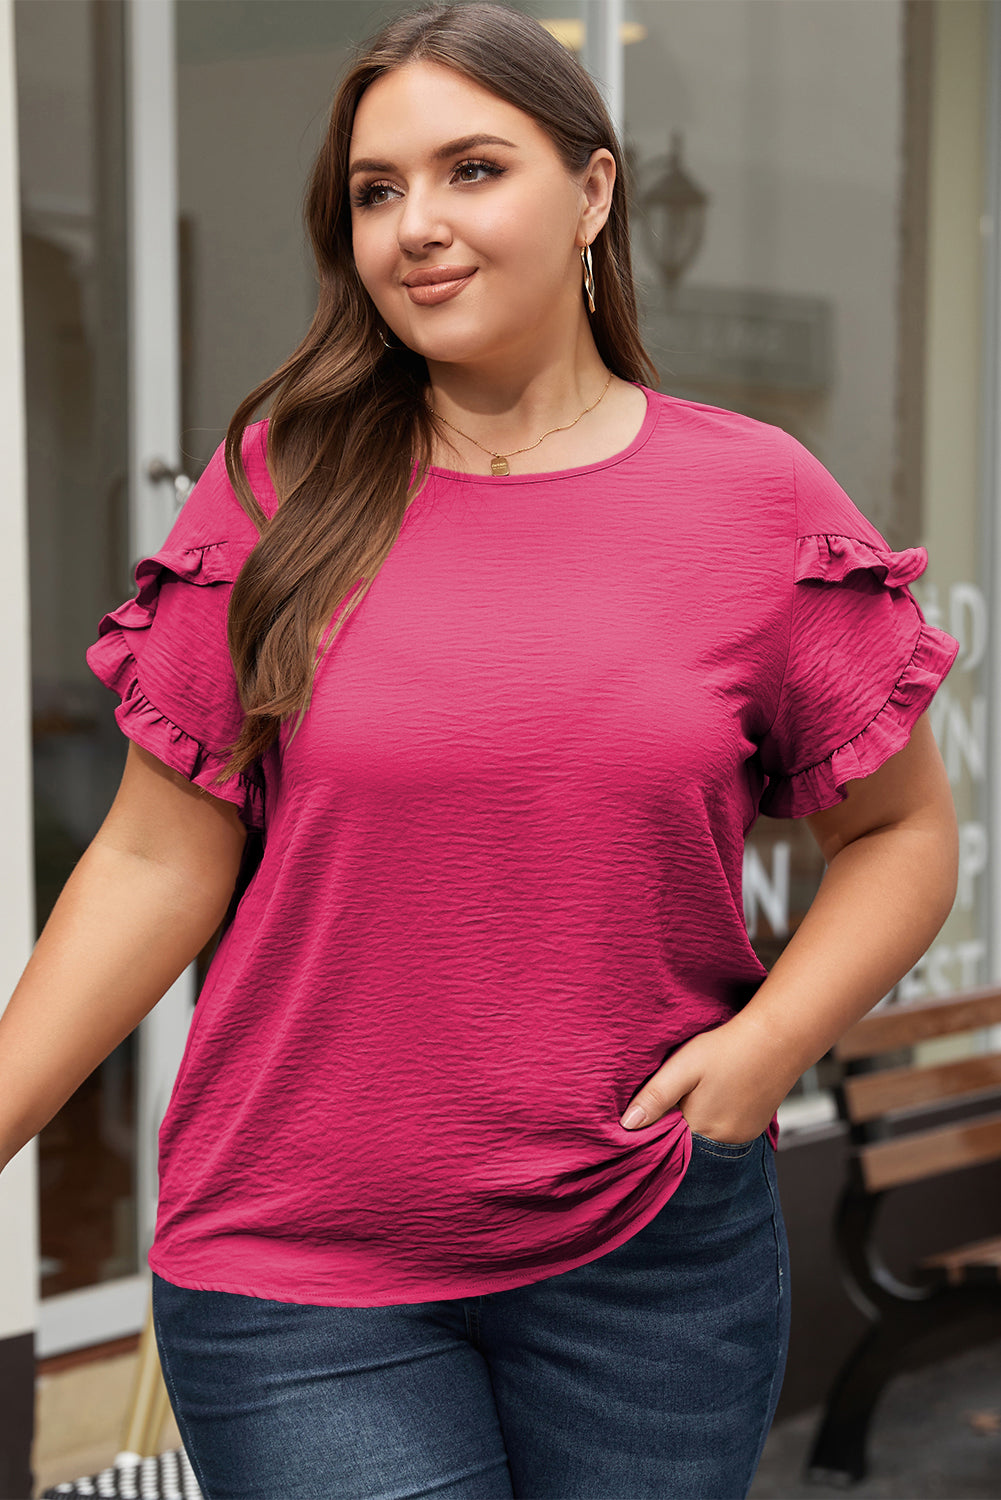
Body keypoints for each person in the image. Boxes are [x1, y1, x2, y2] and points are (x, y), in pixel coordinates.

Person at [1, 4, 959, 1498]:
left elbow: (898, 837)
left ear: (592, 192)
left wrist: (760, 1052)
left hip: (649, 1250)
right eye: (376, 191)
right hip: (298, 1260)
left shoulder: (754, 503)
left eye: (469, 170)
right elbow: (149, 853)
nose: (416, 228)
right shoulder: (276, 491)